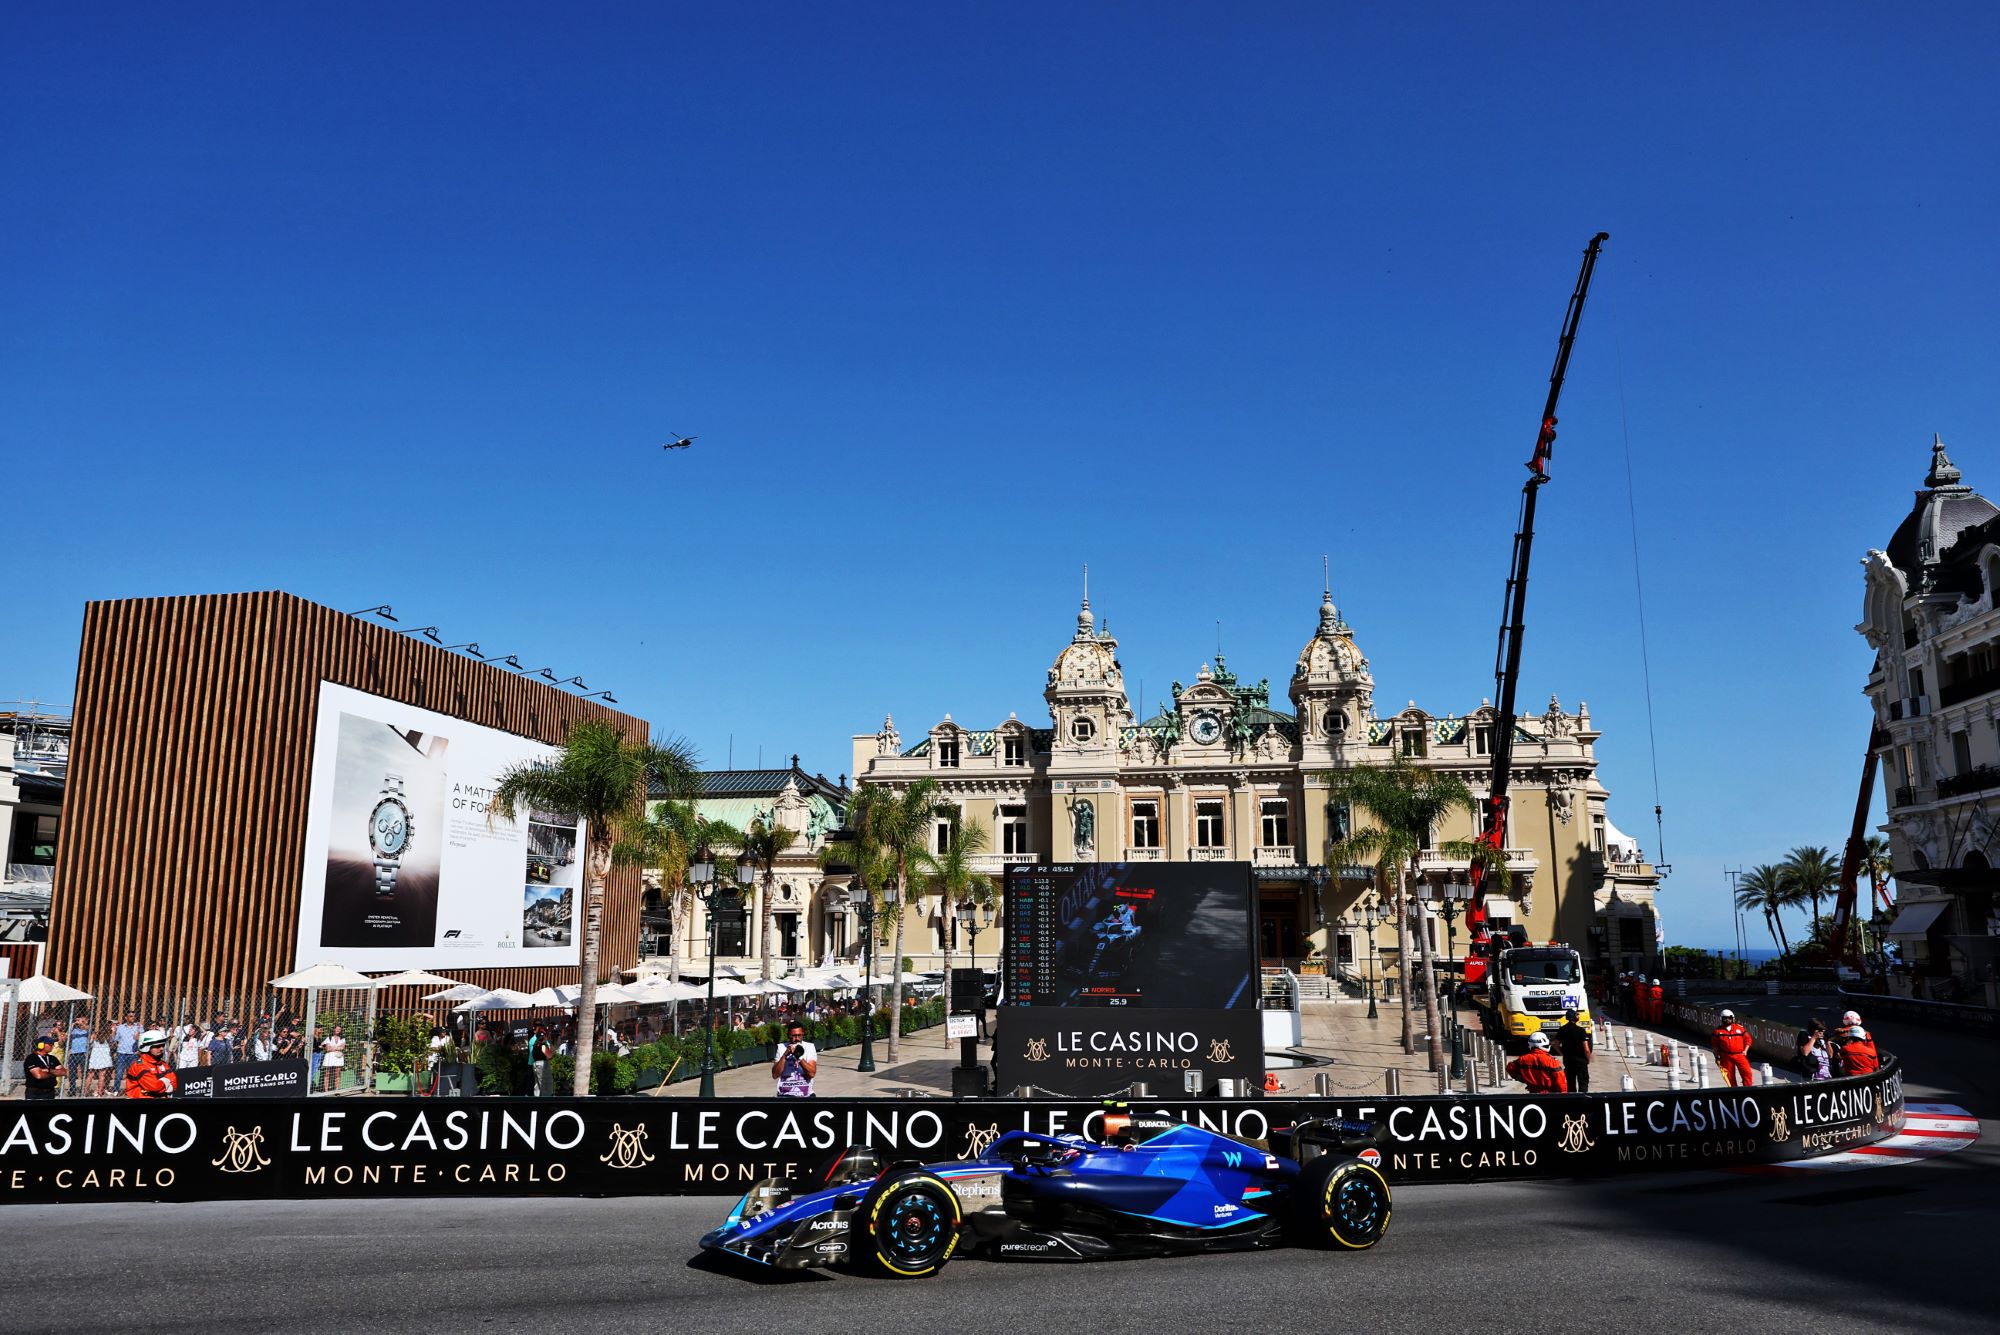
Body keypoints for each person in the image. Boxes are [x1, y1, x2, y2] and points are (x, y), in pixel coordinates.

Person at [123, 1029, 179, 1098]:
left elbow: (174, 1083)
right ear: (146, 1047)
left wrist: (161, 1084)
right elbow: (154, 1087)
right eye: (157, 1046)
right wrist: (166, 1082)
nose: (161, 1048)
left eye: (162, 1045)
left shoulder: (162, 1064)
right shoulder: (140, 1066)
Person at [1711, 1008, 1755, 1087]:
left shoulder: (1740, 1029)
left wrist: (1745, 1050)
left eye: (1729, 1018)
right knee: (1729, 1076)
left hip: (1739, 1055)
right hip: (1726, 1056)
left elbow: (1748, 1040)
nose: (1727, 1020)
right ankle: (1734, 1091)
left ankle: (1748, 1089)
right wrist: (1717, 1057)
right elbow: (1715, 1046)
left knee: (1747, 1072)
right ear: (1722, 1019)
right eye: (1725, 1018)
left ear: (1733, 1019)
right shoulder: (1717, 1031)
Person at [772, 1023, 818, 1097]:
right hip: (785, 1094)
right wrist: (784, 1055)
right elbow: (775, 1075)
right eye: (793, 1036)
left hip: (806, 1094)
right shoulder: (781, 1048)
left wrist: (799, 1057)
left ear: (803, 1034)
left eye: (799, 1035)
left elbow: (812, 1073)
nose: (796, 1039)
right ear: (788, 1035)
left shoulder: (809, 1047)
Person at [1554, 1006, 1593, 1093]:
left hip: (1568, 1060)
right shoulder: (1581, 1030)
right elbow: (1586, 1049)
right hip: (1581, 1061)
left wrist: (1562, 1053)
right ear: (1575, 1017)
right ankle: (1582, 1101)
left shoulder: (1562, 1029)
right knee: (1583, 1082)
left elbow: (1556, 1044)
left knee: (1570, 1083)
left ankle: (1572, 1101)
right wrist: (1588, 1059)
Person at [1831, 1010, 1879, 1075]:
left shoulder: (1839, 1032)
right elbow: (1873, 1051)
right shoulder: (1866, 1033)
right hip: (1866, 1069)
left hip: (1847, 1071)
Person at [24, 1033, 63, 1101]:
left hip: (50, 1092)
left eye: (52, 1044)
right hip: (35, 1093)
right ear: (41, 1045)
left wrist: (46, 1070)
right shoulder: (31, 1058)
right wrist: (53, 1071)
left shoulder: (52, 1058)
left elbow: (63, 1072)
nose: (52, 1046)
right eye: (50, 1044)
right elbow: (38, 1075)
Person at [1796, 1017, 1833, 1081]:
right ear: (1813, 1029)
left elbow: (1830, 1055)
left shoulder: (1823, 1040)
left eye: (1823, 1030)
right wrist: (1814, 1038)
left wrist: (1827, 1042)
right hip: (1811, 1078)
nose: (1822, 1032)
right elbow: (1805, 1052)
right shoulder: (1804, 1035)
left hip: (1827, 1077)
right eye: (1820, 1030)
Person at [112, 1011, 140, 1086]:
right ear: (126, 1018)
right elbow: (116, 1039)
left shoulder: (138, 1027)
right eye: (131, 1016)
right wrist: (113, 1032)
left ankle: (130, 1090)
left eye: (134, 1016)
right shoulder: (121, 1027)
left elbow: (142, 1039)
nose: (133, 1018)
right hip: (121, 1053)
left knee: (132, 1073)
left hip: (133, 1053)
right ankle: (116, 1090)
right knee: (119, 1073)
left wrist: (138, 1038)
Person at [66, 1015, 91, 1094]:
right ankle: (72, 1089)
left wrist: (82, 1023)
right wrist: (72, 1025)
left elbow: (89, 1030)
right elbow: (67, 1035)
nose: (80, 1022)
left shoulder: (87, 1029)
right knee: (72, 1072)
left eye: (83, 1020)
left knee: (84, 1072)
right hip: (73, 1053)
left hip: (83, 1053)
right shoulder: (74, 1030)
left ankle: (84, 1089)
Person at [87, 1026, 115, 1096]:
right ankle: (99, 1093)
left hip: (95, 1057)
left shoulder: (94, 1036)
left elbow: (90, 1044)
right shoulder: (108, 1037)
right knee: (102, 1076)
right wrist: (113, 1032)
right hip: (104, 1058)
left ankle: (85, 1092)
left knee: (90, 1075)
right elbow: (113, 1044)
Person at [527, 1025, 554, 1097]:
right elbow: (549, 1056)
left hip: (535, 1064)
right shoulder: (543, 1045)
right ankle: (545, 1099)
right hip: (542, 1064)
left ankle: (537, 1098)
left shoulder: (535, 1045)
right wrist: (552, 1052)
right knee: (545, 1083)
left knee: (537, 1084)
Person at [321, 1025, 347, 1092]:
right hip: (329, 1057)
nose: (338, 1030)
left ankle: (337, 1089)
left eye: (339, 1029)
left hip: (339, 1057)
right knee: (327, 1073)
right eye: (337, 1029)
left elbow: (343, 1047)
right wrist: (337, 1047)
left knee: (338, 1073)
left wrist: (332, 1047)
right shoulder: (329, 1038)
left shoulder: (342, 1038)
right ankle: (326, 1090)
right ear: (334, 1029)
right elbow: (327, 1049)